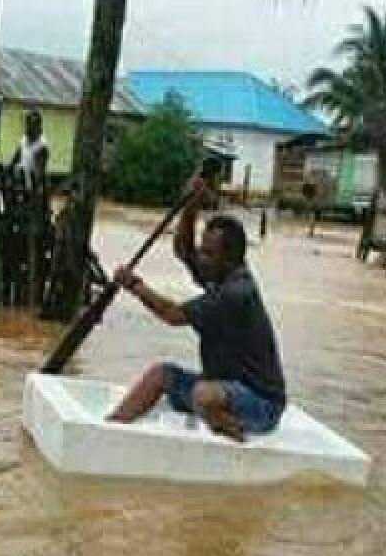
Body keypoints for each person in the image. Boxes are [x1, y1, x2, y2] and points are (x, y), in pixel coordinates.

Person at [107, 168, 287, 442]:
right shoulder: (219, 275)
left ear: (230, 259)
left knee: (203, 395)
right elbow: (183, 250)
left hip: (261, 404)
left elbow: (173, 315)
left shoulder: (236, 293)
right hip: (222, 389)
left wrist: (134, 285)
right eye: (204, 250)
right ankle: (110, 430)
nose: (200, 259)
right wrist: (190, 206)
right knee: (160, 375)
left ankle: (235, 440)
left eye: (208, 254)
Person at [10, 110, 49, 181]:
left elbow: (39, 173)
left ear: (37, 126)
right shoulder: (24, 139)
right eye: (26, 124)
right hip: (17, 179)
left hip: (29, 185)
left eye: (29, 124)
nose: (26, 128)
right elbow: (14, 160)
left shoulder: (42, 146)